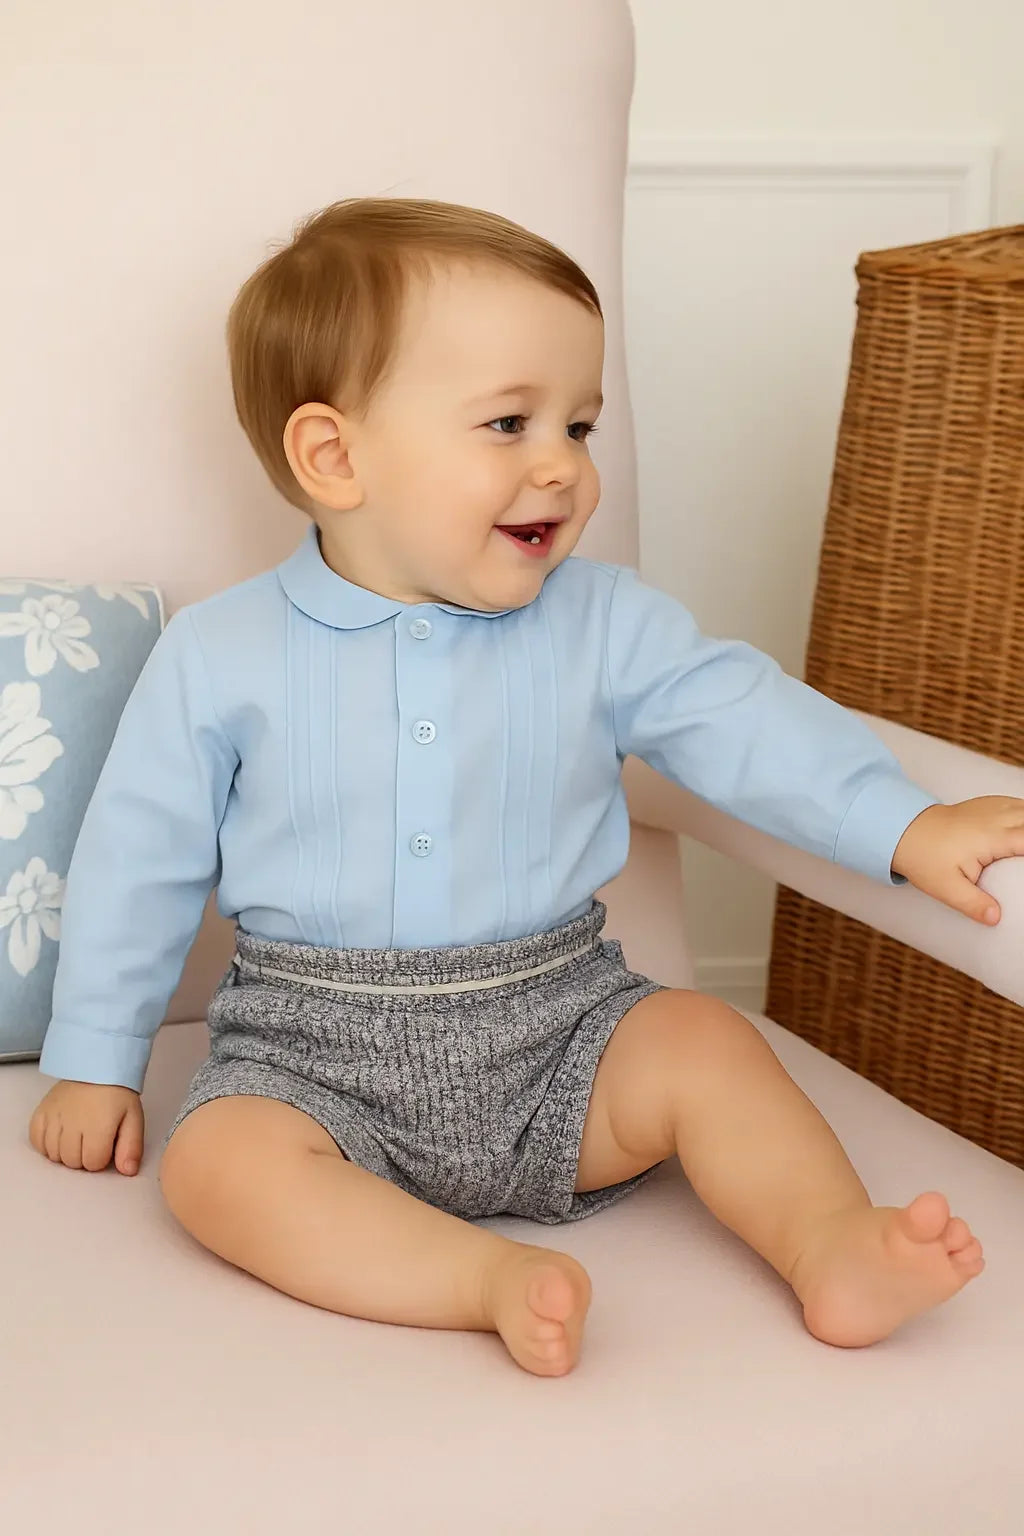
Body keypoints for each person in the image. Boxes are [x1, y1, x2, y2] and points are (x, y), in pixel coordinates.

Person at [29, 198, 1018, 1377]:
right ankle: (477, 1280)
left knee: (704, 1042)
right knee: (217, 1167)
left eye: (581, 425)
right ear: (334, 457)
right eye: (508, 421)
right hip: (308, 1050)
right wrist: (93, 1055)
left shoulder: (605, 622)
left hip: (562, 1025)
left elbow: (741, 722)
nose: (561, 465)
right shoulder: (222, 652)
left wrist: (900, 822)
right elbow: (140, 856)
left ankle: (829, 1245)